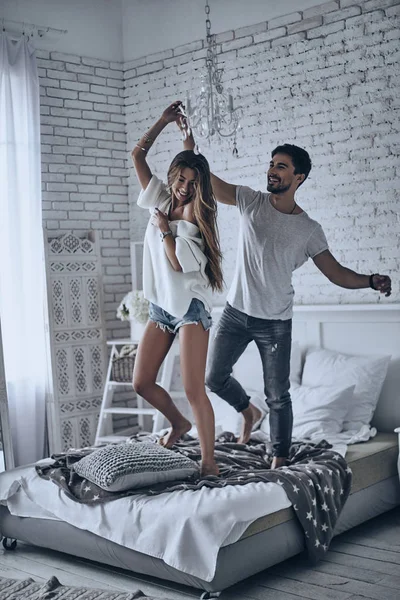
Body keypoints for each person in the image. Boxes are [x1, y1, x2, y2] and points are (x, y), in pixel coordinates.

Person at [176, 101, 392, 469]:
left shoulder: (308, 229)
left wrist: (371, 280)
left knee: (279, 395)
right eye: (271, 164)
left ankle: (279, 456)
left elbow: (336, 274)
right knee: (214, 378)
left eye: (281, 166)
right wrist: (190, 149)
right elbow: (209, 181)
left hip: (275, 322)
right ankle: (248, 411)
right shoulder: (249, 201)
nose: (272, 171)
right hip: (234, 313)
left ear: (299, 178)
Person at [131, 101, 223, 477]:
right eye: (180, 180)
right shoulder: (165, 197)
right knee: (141, 382)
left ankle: (208, 460)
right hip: (162, 307)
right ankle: (179, 425)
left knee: (193, 389)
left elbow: (174, 261)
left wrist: (165, 229)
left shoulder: (196, 217)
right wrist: (167, 124)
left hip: (190, 309)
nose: (184, 188)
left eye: (192, 183)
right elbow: (138, 156)